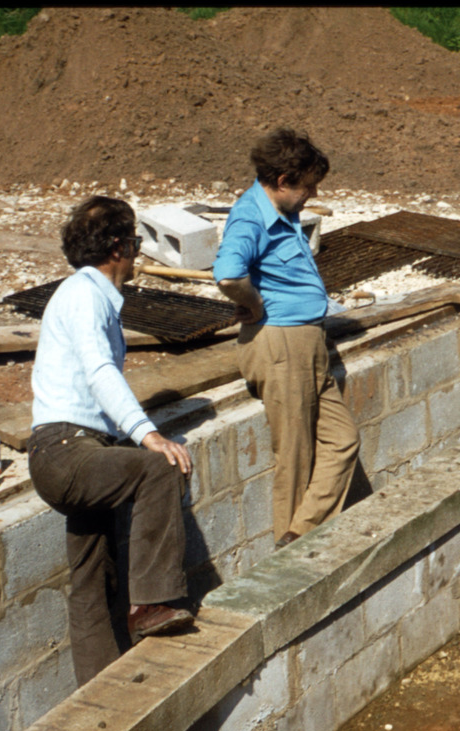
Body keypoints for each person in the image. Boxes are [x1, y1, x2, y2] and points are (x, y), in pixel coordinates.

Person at [29, 196, 194, 687]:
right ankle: (150, 603)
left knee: (91, 575)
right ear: (120, 247)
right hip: (67, 451)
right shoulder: (86, 295)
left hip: (73, 449)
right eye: (137, 245)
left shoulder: (84, 295)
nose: (138, 256)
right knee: (158, 468)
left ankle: (98, 687)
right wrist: (148, 435)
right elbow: (100, 370)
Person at [213, 128, 360, 548]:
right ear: (283, 181)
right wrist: (255, 305)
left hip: (307, 344)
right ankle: (287, 558)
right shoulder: (250, 216)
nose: (312, 194)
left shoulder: (285, 213)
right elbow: (227, 273)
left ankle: (301, 533)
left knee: (343, 440)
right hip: (281, 344)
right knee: (294, 457)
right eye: (308, 186)